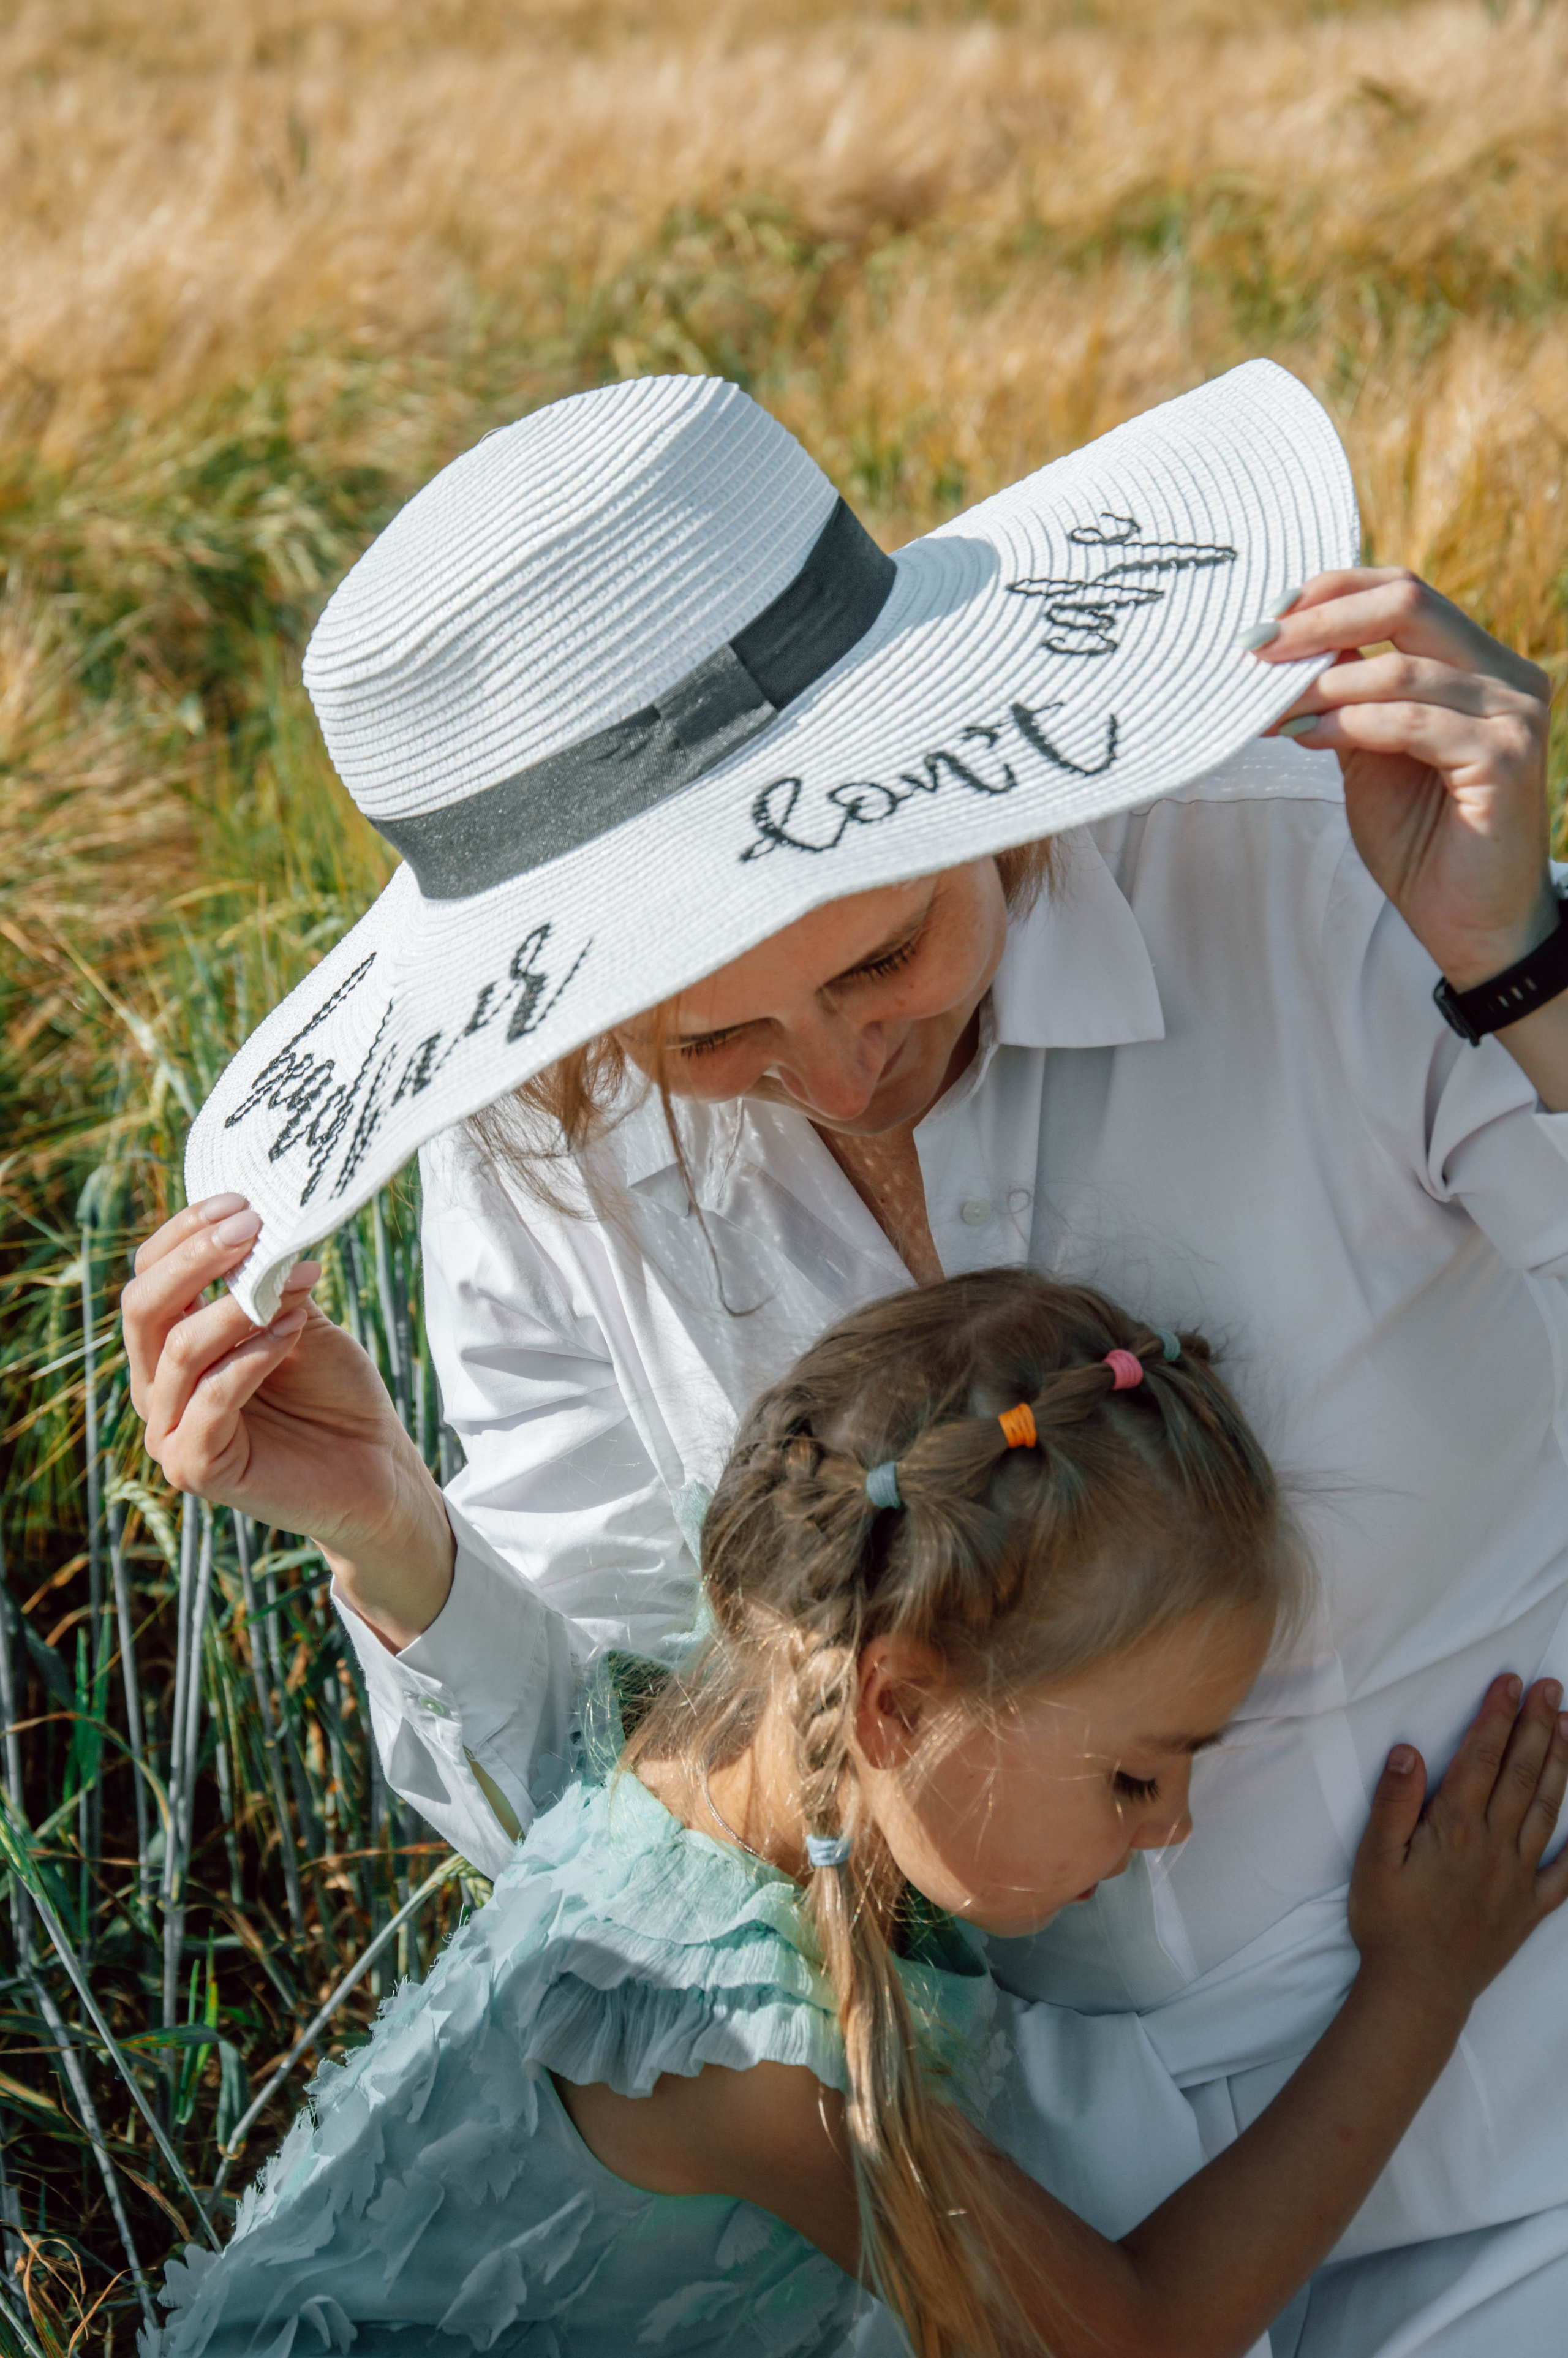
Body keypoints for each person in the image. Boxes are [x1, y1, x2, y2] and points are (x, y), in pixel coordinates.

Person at [126, 363, 1568, 2354]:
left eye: (883, 954)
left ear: (972, 787)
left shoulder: (1338, 875)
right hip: (980, 2202)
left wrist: (1526, 965)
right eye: (711, 1041)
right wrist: (396, 1542)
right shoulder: (540, 1141)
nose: (836, 1069)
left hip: (1524, 2087)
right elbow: (641, 1795)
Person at [146, 1272, 1568, 2358]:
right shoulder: (741, 2054)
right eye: (1134, 1775)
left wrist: (384, 1519)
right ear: (891, 1704)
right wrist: (1419, 1982)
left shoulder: (691, 1750)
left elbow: (527, 1698)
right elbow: (1132, 2340)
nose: (1168, 1830)